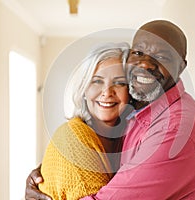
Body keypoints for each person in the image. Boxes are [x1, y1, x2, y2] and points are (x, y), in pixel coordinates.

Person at [26, 19, 195, 200]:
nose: (144, 64)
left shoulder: (174, 127)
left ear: (181, 67)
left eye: (161, 56)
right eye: (138, 53)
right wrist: (49, 177)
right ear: (83, 88)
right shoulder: (138, 113)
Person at [34, 42, 131, 200]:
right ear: (84, 89)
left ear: (130, 91)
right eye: (97, 81)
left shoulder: (126, 136)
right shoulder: (73, 137)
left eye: (119, 82)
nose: (107, 92)